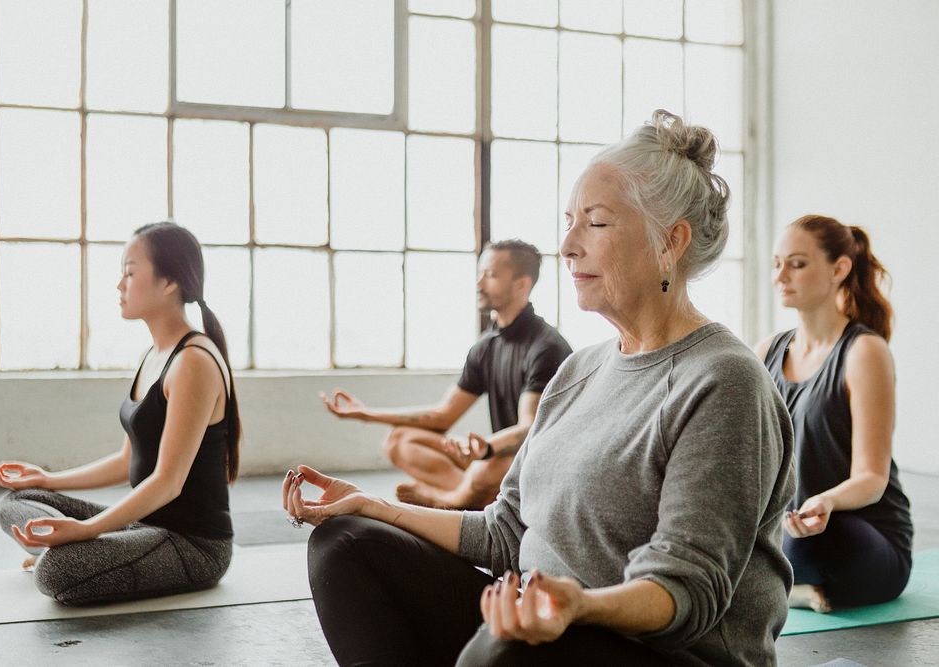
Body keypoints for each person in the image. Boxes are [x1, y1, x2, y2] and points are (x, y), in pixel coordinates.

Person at [285, 110, 796, 666]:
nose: (568, 245)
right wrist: (377, 508)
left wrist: (576, 607)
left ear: (670, 242)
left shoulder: (724, 382)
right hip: (550, 629)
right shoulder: (577, 373)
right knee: (347, 545)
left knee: (507, 647)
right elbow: (504, 533)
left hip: (666, 654)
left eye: (595, 223)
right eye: (569, 221)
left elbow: (687, 590)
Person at [0, 221, 240, 606]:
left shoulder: (194, 362)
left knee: (56, 572)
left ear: (169, 282)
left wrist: (87, 530)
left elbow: (168, 483)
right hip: (145, 525)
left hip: (192, 545)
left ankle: (76, 555)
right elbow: (127, 461)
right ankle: (90, 552)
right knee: (17, 501)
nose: (119, 285)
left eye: (129, 273)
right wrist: (49, 479)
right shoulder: (153, 356)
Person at [320, 239, 572, 510]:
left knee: (487, 469)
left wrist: (486, 447)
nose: (479, 284)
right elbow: (443, 416)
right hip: (494, 456)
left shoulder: (546, 347)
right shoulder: (486, 346)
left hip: (534, 462)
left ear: (521, 284)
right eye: (479, 274)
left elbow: (530, 430)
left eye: (490, 275)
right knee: (399, 440)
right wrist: (366, 414)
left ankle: (448, 501)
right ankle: (478, 499)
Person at [756, 215, 913, 613]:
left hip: (858, 533)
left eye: (797, 263)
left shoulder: (864, 352)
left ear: (839, 269)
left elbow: (872, 478)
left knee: (816, 542)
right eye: (777, 264)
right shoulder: (766, 352)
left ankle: (783, 587)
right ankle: (793, 589)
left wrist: (825, 503)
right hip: (793, 527)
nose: (781, 276)